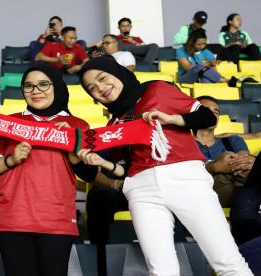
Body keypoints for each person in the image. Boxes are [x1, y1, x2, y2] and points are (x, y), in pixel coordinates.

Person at [77, 56, 253, 275]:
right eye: (92, 88)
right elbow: (126, 170)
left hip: (186, 178)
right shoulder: (114, 124)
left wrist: (173, 119)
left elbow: (207, 117)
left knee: (227, 261)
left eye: (103, 78)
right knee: (161, 270)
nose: (100, 88)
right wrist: (103, 163)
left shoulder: (157, 89)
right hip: (142, 191)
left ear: (118, 72)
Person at [0, 63, 123, 276]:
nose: (35, 91)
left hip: (57, 217)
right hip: (13, 217)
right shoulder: (8, 122)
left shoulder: (77, 125)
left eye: (43, 84)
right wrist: (11, 159)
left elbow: (89, 174)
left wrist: (72, 151)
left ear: (56, 86)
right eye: (28, 86)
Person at [194, 96, 255, 207]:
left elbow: (244, 163)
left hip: (235, 191)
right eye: (206, 110)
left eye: (216, 112)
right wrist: (213, 167)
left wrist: (250, 162)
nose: (212, 115)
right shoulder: (182, 143)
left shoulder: (232, 140)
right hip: (198, 196)